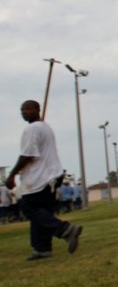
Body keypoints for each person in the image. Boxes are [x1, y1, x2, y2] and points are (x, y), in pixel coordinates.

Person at [5, 100, 83, 261]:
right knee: (42, 212)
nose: (23, 112)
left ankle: (65, 229)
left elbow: (28, 155)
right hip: (52, 175)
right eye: (22, 110)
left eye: (27, 109)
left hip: (39, 177)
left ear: (37, 110)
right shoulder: (45, 127)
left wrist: (12, 174)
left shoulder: (32, 129)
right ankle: (42, 248)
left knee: (29, 207)